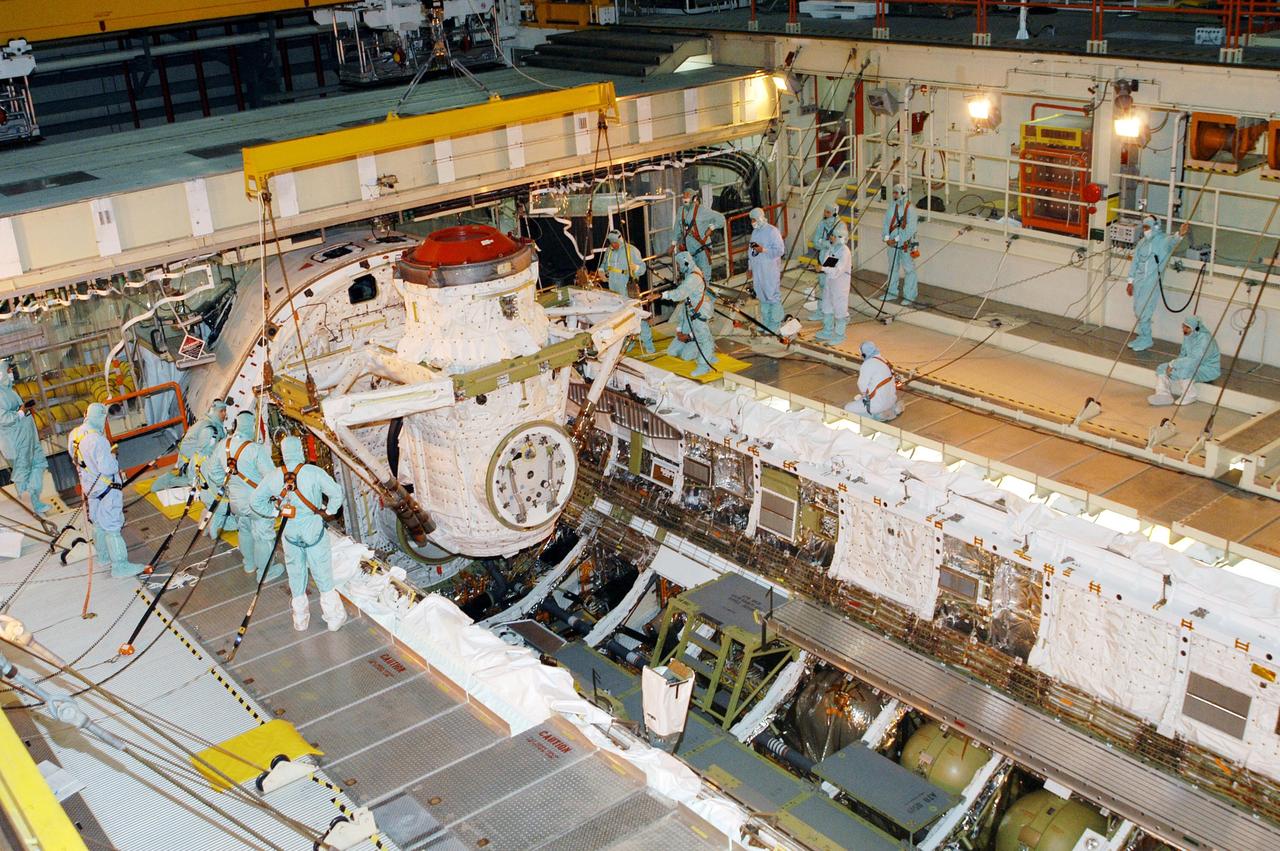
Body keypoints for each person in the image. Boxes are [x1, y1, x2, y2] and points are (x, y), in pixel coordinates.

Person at [251, 436, 346, 632]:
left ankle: (300, 620)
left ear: (283, 453)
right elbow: (336, 492)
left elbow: (255, 501)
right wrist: (329, 511)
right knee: (323, 575)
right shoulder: (313, 472)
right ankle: (333, 618)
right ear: (300, 451)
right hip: (313, 533)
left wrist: (274, 512)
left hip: (290, 534)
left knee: (295, 575)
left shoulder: (273, 476)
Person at [70, 403, 147, 578]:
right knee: (112, 527)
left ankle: (103, 558)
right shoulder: (98, 440)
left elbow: (77, 459)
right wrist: (113, 455)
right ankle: (120, 566)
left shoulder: (75, 435)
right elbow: (108, 467)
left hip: (90, 489)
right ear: (101, 418)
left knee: (98, 523)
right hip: (106, 488)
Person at [204, 412, 281, 578]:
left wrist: (230, 486)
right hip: (258, 505)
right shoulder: (255, 449)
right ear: (252, 426)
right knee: (263, 537)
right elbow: (272, 478)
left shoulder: (223, 445)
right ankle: (265, 572)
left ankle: (249, 564)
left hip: (236, 502)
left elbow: (213, 473)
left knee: (244, 531)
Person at [1126, 216, 1190, 352]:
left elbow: (1172, 241)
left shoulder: (1162, 241)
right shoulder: (1142, 243)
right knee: (1138, 310)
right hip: (1139, 281)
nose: (1145, 230)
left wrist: (1180, 234)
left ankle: (1146, 339)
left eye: (1147, 227)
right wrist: (1130, 281)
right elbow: (1135, 262)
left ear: (1155, 227)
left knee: (1144, 311)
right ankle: (1142, 336)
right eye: (1144, 227)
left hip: (1151, 282)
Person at [0, 359, 49, 515]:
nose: (11, 372)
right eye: (8, 370)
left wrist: (24, 411)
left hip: (27, 438)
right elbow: (3, 419)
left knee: (39, 464)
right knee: (22, 474)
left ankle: (33, 500)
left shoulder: (8, 390)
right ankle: (30, 505)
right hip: (15, 442)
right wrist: (21, 412)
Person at [151, 399, 228, 492]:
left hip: (192, 459)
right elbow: (202, 455)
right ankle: (169, 481)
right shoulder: (209, 429)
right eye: (221, 411)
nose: (224, 414)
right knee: (204, 482)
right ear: (214, 412)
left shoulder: (211, 423)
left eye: (225, 411)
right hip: (189, 463)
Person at [662, 251, 717, 378]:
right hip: (691, 313)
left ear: (685, 263)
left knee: (704, 339)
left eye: (679, 264)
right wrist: (679, 331)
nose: (678, 267)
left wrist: (663, 295)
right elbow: (684, 305)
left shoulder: (693, 277)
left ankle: (704, 365)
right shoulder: (689, 273)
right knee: (672, 351)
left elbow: (680, 293)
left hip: (699, 312)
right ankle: (708, 354)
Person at [601, 229, 654, 354]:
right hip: (614, 290)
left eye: (615, 242)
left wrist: (636, 268)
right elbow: (604, 265)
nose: (613, 245)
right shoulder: (609, 251)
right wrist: (601, 271)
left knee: (637, 315)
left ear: (620, 240)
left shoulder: (632, 251)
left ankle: (648, 343)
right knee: (620, 318)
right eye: (611, 243)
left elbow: (643, 268)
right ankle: (627, 342)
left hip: (627, 289)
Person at [1148, 316, 1221, 406]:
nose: (1184, 329)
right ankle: (1163, 395)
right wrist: (1173, 366)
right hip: (1191, 364)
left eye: (1188, 327)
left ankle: (1190, 395)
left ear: (1196, 328)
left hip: (1207, 369)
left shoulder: (1205, 339)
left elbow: (1194, 360)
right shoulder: (1189, 335)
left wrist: (1173, 364)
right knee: (1162, 368)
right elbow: (1183, 355)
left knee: (1184, 370)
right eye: (1183, 326)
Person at [672, 187, 724, 285]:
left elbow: (721, 219)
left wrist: (711, 228)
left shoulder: (702, 210)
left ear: (694, 198)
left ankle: (705, 292)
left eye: (687, 196)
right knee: (690, 278)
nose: (685, 199)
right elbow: (677, 228)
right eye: (684, 197)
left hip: (702, 250)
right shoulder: (681, 211)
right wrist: (673, 243)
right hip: (689, 251)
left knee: (704, 278)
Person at [747, 207, 786, 333]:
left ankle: (775, 323)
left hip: (769, 271)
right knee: (762, 296)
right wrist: (750, 268)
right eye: (751, 220)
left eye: (753, 220)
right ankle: (766, 323)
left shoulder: (772, 231)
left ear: (759, 218)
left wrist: (763, 250)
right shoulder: (755, 232)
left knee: (772, 296)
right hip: (758, 270)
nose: (752, 222)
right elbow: (751, 251)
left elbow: (780, 250)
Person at [844, 341, 902, 421]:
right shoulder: (884, 361)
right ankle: (893, 408)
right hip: (891, 400)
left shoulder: (867, 364)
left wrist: (864, 396)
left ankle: (877, 415)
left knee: (848, 408)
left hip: (877, 405)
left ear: (864, 354)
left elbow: (862, 386)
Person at [808, 203, 848, 319]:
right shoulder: (822, 224)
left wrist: (824, 243)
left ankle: (837, 312)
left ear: (834, 213)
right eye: (825, 211)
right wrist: (828, 243)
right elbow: (816, 242)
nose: (825, 214)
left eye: (828, 212)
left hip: (833, 257)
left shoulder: (840, 225)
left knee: (832, 285)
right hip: (822, 257)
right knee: (822, 284)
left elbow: (839, 242)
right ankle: (822, 310)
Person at [883, 185, 919, 305]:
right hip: (892, 243)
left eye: (896, 193)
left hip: (905, 244)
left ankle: (910, 295)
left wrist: (897, 239)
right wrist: (886, 237)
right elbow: (886, 223)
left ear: (903, 193)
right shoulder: (891, 206)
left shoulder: (910, 209)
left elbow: (910, 229)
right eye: (893, 192)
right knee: (892, 267)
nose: (894, 195)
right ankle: (891, 292)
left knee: (909, 269)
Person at [815, 230, 853, 345]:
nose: (831, 238)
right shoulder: (832, 249)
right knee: (827, 306)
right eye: (831, 236)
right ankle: (828, 330)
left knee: (840, 309)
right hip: (830, 282)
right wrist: (824, 268)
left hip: (840, 285)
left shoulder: (845, 252)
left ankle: (839, 335)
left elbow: (838, 271)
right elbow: (829, 265)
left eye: (833, 236)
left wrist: (823, 268)